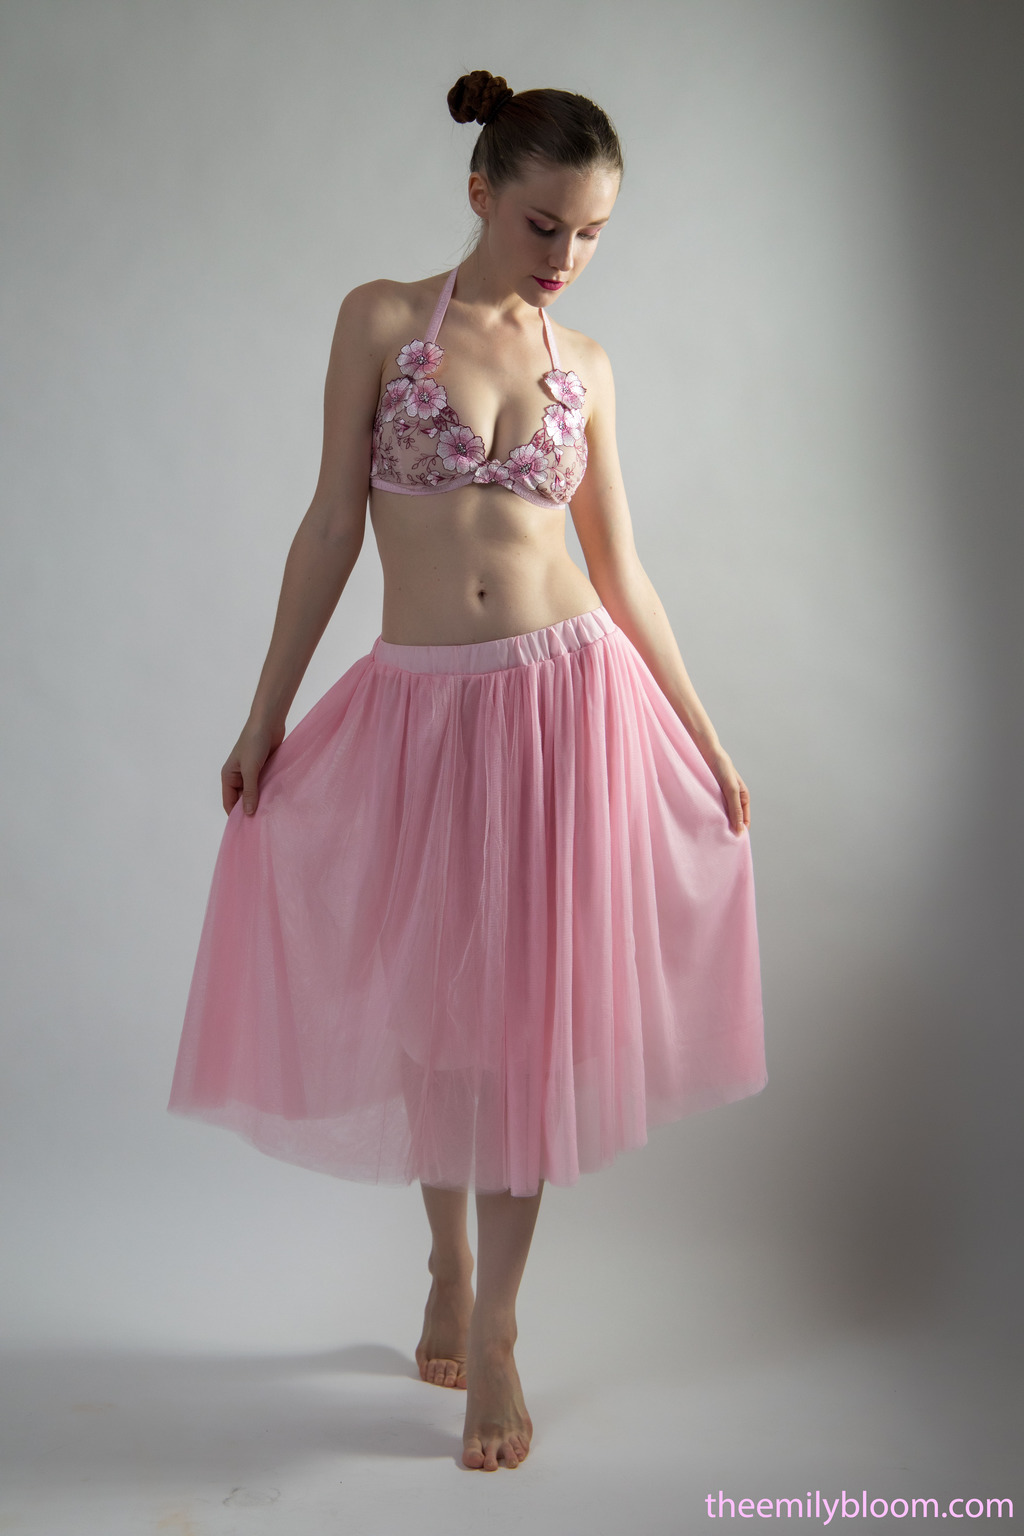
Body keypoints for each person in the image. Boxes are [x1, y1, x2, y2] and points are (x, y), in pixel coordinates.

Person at [167, 69, 767, 1473]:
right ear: (482, 190)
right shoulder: (384, 322)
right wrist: (264, 715)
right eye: (545, 224)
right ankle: (444, 1257)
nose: (566, 257)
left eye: (593, 234)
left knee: (524, 1036)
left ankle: (496, 1325)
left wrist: (706, 733)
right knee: (434, 1016)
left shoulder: (587, 366)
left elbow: (620, 568)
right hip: (424, 717)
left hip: (567, 709)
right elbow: (331, 525)